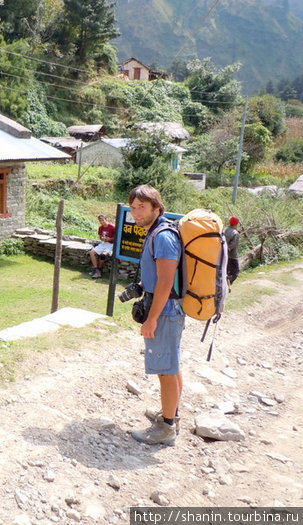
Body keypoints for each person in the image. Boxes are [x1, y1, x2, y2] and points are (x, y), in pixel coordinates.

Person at [128, 185, 185, 445]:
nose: (136, 212)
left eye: (142, 207)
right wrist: (140, 286)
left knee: (165, 370)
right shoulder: (157, 232)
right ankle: (170, 414)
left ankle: (166, 428)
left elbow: (165, 282)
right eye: (133, 207)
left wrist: (151, 319)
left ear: (156, 208)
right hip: (166, 308)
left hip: (165, 311)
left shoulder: (162, 236)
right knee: (171, 367)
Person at [89, 214, 115, 279]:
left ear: (106, 219)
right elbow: (100, 236)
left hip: (111, 244)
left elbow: (117, 237)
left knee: (103, 255)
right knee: (91, 252)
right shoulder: (101, 228)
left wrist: (110, 239)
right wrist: (102, 238)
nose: (102, 222)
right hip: (103, 243)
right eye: (100, 221)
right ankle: (96, 269)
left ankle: (99, 270)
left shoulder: (112, 227)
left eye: (103, 220)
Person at [224, 216, 240, 285]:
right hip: (233, 256)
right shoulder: (235, 233)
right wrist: (228, 249)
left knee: (227, 271)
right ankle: (229, 283)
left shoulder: (225, 230)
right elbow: (232, 245)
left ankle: (226, 283)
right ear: (237, 224)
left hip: (224, 255)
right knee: (236, 272)